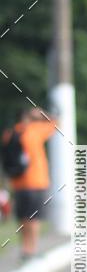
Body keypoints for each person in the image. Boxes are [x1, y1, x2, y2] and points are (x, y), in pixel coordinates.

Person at [1, 107, 56, 261]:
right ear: (29, 117)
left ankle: (25, 249)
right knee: (34, 218)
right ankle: (32, 250)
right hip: (36, 181)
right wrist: (43, 113)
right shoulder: (34, 131)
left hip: (17, 183)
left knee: (23, 217)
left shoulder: (9, 133)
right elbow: (57, 123)